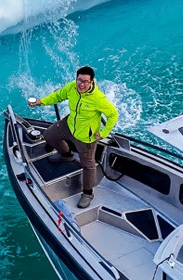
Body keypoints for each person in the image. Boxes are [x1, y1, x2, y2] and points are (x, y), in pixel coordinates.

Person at [27, 65, 117, 208]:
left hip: (85, 137)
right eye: (79, 80)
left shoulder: (99, 99)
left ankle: (88, 193)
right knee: (49, 135)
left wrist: (104, 132)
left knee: (88, 165)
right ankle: (66, 154)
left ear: (92, 82)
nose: (81, 84)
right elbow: (58, 96)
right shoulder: (71, 87)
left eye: (85, 81)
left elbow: (113, 114)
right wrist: (40, 102)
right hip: (68, 125)